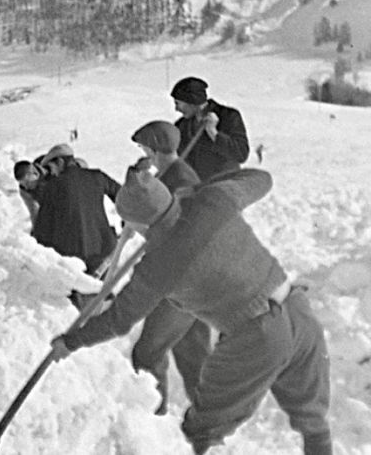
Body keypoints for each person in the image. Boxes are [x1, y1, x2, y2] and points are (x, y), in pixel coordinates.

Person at [50, 165, 331, 455]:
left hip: (257, 339)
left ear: (137, 224)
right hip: (298, 310)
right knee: (311, 418)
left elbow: (119, 320)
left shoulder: (157, 266)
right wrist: (201, 190)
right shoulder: (215, 200)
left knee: (201, 432)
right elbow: (262, 178)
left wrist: (70, 342)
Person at [128, 120, 211, 415]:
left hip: (182, 280)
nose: (143, 153)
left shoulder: (181, 180)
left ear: (152, 148)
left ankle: (153, 421)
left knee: (147, 354)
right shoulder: (172, 176)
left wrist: (142, 226)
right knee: (192, 352)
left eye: (143, 147)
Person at [33, 144, 120, 278]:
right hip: (103, 250)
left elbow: (43, 228)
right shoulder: (97, 176)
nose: (52, 173)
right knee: (101, 292)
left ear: (60, 162)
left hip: (71, 259)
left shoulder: (52, 186)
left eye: (51, 168)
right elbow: (125, 196)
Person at [171, 76, 250, 181]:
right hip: (197, 189)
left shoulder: (228, 116)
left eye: (178, 103)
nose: (176, 109)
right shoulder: (181, 126)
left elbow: (241, 154)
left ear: (192, 101)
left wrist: (214, 133)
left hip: (226, 185)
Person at [13, 160, 48, 230]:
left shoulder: (54, 172)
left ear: (35, 174)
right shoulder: (24, 190)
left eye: (27, 183)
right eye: (22, 183)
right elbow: (34, 210)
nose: (26, 187)